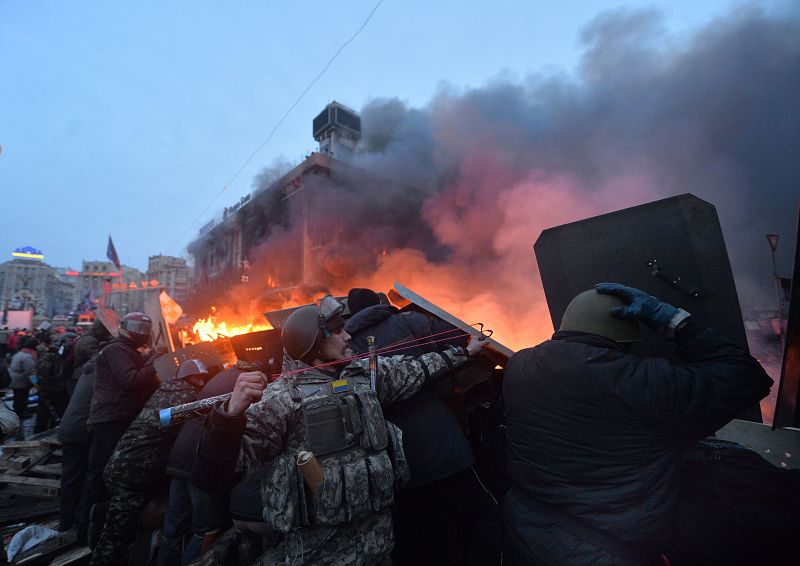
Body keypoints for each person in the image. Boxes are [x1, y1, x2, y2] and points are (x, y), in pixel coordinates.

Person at [192, 295, 487, 565]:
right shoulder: (283, 398)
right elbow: (216, 474)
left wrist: (465, 352)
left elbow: (412, 370)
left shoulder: (363, 375)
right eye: (336, 330)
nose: (348, 336)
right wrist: (229, 416)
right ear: (314, 344)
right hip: (321, 554)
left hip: (378, 547)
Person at [503, 283, 774, 566]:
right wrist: (671, 320)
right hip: (604, 551)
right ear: (625, 338)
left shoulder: (519, 366)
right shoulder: (644, 382)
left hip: (528, 531)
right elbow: (747, 375)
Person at [344, 287, 502, 565]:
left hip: (397, 467)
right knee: (482, 517)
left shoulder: (348, 349)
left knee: (419, 542)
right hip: (443, 449)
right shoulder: (410, 321)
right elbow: (461, 338)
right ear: (380, 304)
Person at [91, 358, 218, 566]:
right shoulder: (187, 397)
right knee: (115, 539)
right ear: (188, 378)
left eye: (203, 378)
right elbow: (204, 416)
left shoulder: (165, 390)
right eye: (198, 378)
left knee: (122, 528)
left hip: (123, 466)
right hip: (131, 474)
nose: (202, 383)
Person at [158, 359, 261, 566]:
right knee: (205, 529)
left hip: (179, 458)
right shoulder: (247, 385)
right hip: (201, 461)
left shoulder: (219, 377)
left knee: (173, 526)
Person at [82, 312, 163, 547]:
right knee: (98, 476)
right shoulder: (116, 350)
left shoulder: (127, 351)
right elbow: (130, 380)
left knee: (106, 476)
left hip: (118, 418)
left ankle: (96, 530)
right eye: (139, 327)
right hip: (109, 421)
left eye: (145, 328)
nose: (143, 332)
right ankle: (86, 532)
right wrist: (153, 361)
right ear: (126, 328)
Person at [57, 337, 111, 533]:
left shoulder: (90, 366)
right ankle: (78, 524)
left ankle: (66, 521)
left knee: (70, 477)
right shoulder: (102, 369)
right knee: (85, 476)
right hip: (80, 430)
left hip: (69, 427)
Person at [34, 334, 68, 433]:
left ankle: (40, 434)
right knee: (46, 414)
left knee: (44, 415)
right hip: (51, 390)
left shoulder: (46, 356)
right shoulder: (54, 358)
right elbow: (43, 375)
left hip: (48, 389)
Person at [68, 319, 111, 397]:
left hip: (80, 375)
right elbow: (96, 359)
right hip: (80, 376)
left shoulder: (89, 338)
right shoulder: (89, 341)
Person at [8, 336, 38, 440]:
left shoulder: (19, 354)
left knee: (17, 398)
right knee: (22, 399)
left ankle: (17, 413)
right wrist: (36, 384)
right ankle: (20, 415)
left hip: (14, 380)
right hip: (21, 382)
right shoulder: (28, 357)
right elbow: (30, 373)